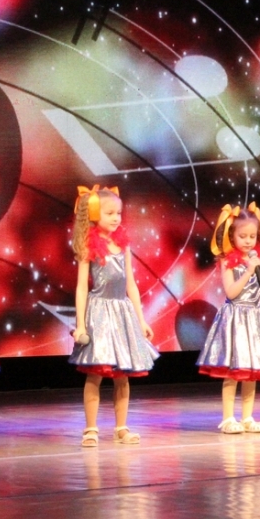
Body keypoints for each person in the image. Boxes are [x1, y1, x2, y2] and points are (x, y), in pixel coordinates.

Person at [67, 185, 158, 446]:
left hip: (122, 312)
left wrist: (141, 320)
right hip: (100, 312)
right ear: (96, 215)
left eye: (118, 213)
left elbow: (131, 284)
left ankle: (121, 427)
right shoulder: (89, 245)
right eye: (109, 213)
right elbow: (82, 287)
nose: (116, 218)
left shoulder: (123, 244)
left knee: (122, 374)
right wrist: (81, 325)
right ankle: (91, 428)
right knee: (95, 373)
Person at [197, 203, 260, 434]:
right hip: (235, 319)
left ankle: (247, 417)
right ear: (232, 236)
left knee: (251, 372)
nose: (248, 241)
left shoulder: (259, 262)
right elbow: (231, 292)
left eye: (252, 236)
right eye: (242, 236)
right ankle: (228, 418)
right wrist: (247, 271)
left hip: (254, 320)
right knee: (233, 372)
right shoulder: (228, 261)